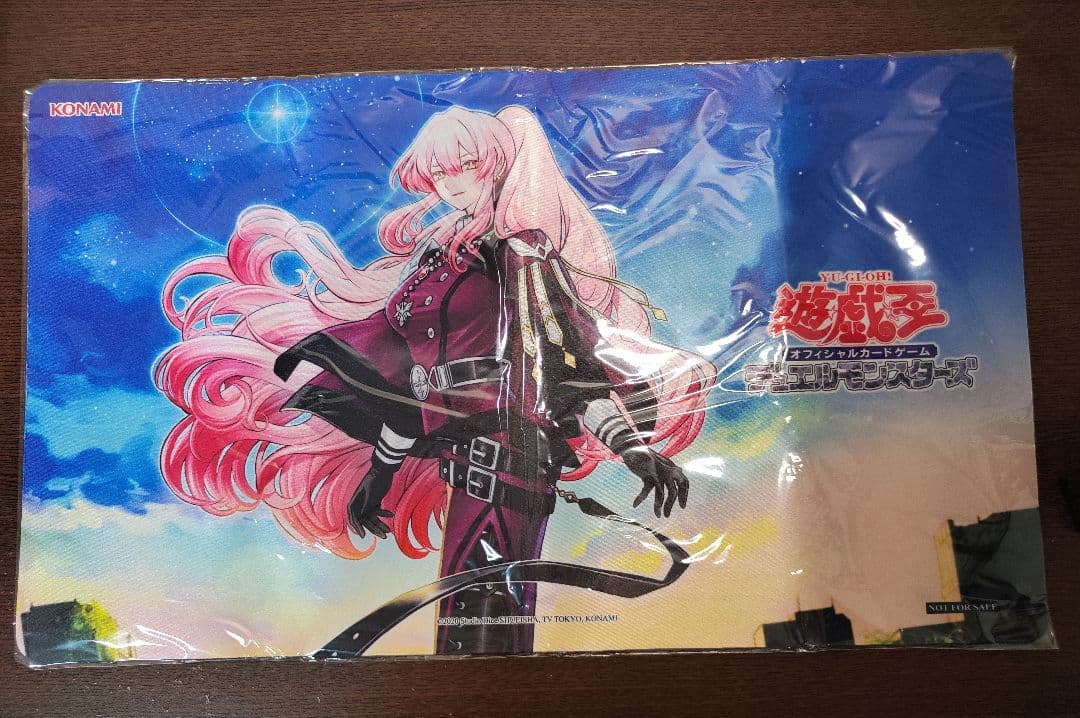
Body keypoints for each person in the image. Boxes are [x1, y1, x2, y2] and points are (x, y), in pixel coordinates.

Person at [156, 105, 717, 655]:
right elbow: (410, 390)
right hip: (464, 463)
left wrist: (634, 449)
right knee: (466, 626)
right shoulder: (437, 260)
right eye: (440, 172)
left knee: (486, 630)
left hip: (512, 463)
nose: (453, 183)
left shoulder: (521, 253)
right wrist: (380, 476)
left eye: (466, 166)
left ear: (496, 164)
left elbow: (568, 372)